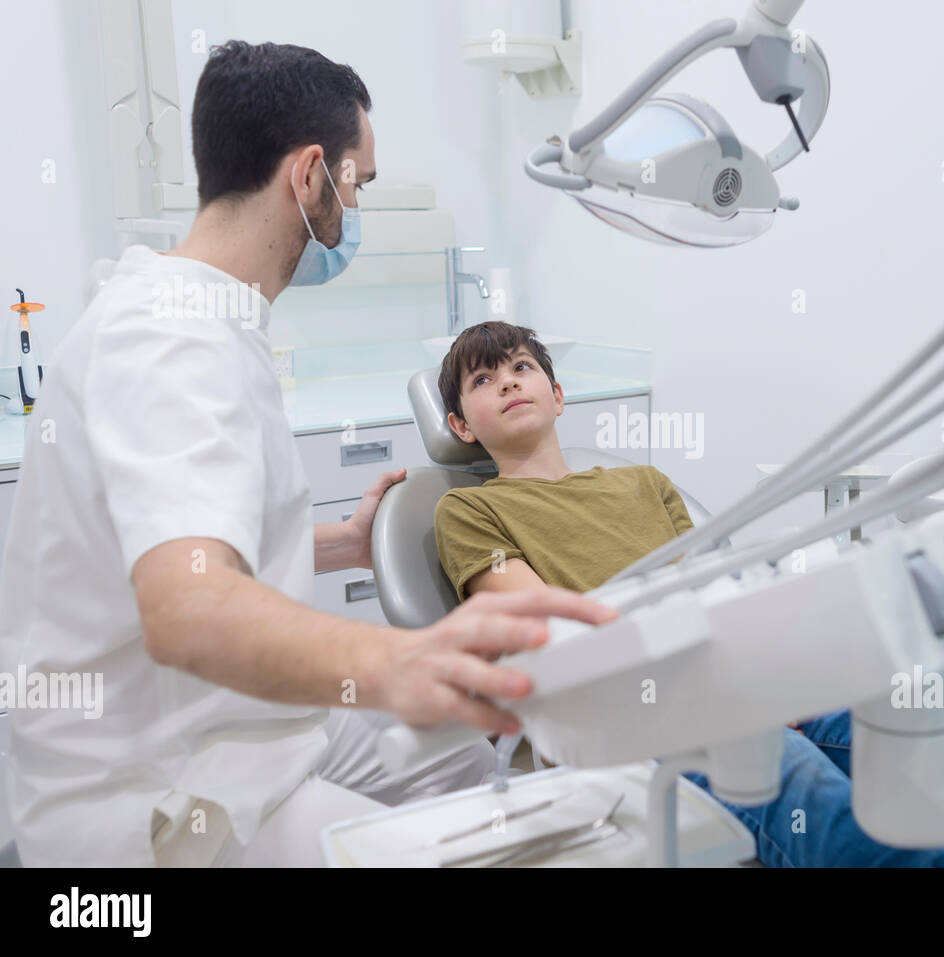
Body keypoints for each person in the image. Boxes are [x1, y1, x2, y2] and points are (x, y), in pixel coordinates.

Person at [0, 42, 614, 867]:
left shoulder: (205, 315)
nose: (351, 211)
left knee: (464, 761)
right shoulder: (169, 339)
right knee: (468, 851)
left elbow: (179, 537)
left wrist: (340, 544)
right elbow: (186, 607)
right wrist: (398, 656)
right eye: (356, 184)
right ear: (309, 175)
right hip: (157, 788)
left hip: (235, 723)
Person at [432, 320, 944, 868]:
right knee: (808, 792)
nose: (508, 380)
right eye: (483, 378)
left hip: (744, 670)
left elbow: (720, 579)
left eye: (523, 366)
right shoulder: (467, 510)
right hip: (638, 707)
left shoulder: (644, 481)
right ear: (463, 424)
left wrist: (773, 665)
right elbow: (547, 629)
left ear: (559, 394)